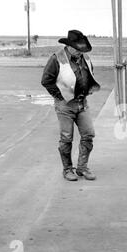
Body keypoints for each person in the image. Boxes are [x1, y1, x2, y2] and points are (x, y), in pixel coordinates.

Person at [41, 30, 100, 181]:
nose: (81, 52)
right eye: (78, 49)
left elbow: (89, 74)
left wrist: (87, 89)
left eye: (82, 49)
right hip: (65, 106)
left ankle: (82, 168)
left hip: (82, 103)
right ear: (69, 46)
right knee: (66, 138)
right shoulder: (56, 59)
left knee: (88, 134)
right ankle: (67, 170)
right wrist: (59, 96)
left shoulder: (85, 57)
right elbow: (46, 80)